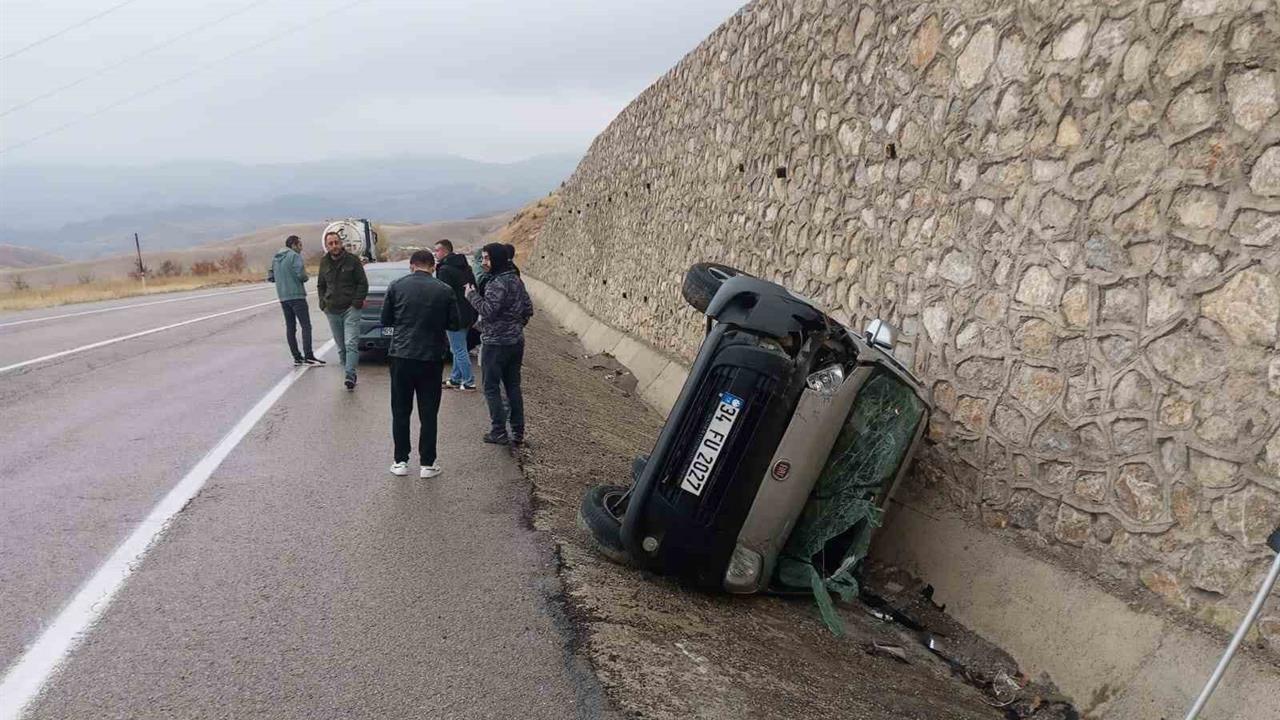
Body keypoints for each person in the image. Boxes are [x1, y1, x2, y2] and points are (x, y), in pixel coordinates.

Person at [381, 250, 461, 478]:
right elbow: (454, 324)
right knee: (428, 412)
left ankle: (400, 461)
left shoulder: (396, 286)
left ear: (411, 265)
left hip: (401, 355)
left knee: (400, 410)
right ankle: (427, 463)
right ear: (433, 267)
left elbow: (385, 320)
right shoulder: (444, 290)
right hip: (431, 357)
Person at [465, 243, 533, 445]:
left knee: (491, 387)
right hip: (516, 342)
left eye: (486, 258)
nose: (484, 262)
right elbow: (528, 309)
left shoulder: (496, 283)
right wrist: (515, 326)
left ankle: (499, 432)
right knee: (513, 386)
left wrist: (471, 295)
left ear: (496, 259)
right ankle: (518, 432)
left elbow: (488, 310)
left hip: (495, 344)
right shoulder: (516, 280)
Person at [317, 231, 368, 390]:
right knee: (341, 347)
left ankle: (350, 375)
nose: (334, 246)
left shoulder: (352, 261)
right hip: (332, 310)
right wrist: (322, 304)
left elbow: (362, 283)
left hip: (350, 309)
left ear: (341, 243)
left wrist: (356, 303)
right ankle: (347, 369)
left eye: (336, 242)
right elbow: (321, 285)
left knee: (351, 342)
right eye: (330, 243)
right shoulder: (324, 263)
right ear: (327, 246)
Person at [268, 235, 324, 366]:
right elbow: (302, 275)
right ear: (293, 245)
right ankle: (309, 356)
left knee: (290, 327)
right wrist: (304, 277)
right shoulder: (294, 256)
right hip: (297, 296)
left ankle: (296, 357)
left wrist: (282, 279)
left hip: (283, 297)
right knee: (306, 326)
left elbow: (271, 277)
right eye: (300, 245)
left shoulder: (276, 258)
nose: (301, 248)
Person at [432, 238, 478, 390]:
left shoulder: (444, 270)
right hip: (469, 312)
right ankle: (456, 378)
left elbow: (443, 294)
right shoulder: (465, 267)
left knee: (458, 349)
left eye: (437, 250)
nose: (435, 254)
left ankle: (469, 381)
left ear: (445, 251)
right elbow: (474, 288)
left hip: (455, 315)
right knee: (459, 347)